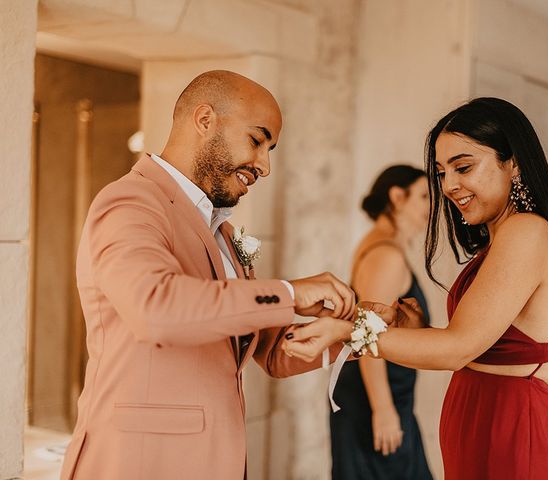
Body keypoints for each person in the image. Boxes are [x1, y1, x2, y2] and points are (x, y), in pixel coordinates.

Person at [60, 70, 356, 480]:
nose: (265, 166)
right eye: (257, 140)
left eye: (270, 149)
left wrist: (358, 333)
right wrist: (290, 292)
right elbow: (155, 308)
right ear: (204, 121)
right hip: (141, 463)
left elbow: (268, 352)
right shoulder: (130, 201)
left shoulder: (223, 231)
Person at [283, 97, 548, 480]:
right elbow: (474, 349)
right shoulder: (501, 239)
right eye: (442, 173)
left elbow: (457, 348)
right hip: (482, 417)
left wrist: (349, 331)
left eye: (463, 167)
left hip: (508, 426)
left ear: (513, 163)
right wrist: (417, 334)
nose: (448, 186)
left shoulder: (526, 231)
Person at [330, 165, 433, 479]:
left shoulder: (383, 245)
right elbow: (366, 333)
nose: (431, 206)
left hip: (386, 394)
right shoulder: (386, 255)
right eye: (424, 196)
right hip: (375, 397)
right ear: (397, 197)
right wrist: (384, 411)